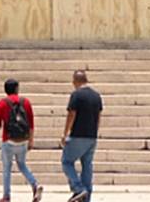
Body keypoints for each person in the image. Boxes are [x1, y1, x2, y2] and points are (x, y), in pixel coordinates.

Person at [0, 78, 43, 202]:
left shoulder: (2, 103)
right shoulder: (26, 102)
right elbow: (31, 123)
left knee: (7, 168)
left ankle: (6, 196)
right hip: (23, 140)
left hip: (8, 141)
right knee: (22, 165)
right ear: (17, 89)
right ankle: (35, 185)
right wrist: (31, 140)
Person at [60, 70, 103, 202]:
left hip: (78, 135)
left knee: (66, 162)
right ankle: (86, 196)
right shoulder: (96, 96)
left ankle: (78, 189)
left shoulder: (76, 95)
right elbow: (99, 116)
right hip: (91, 136)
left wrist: (65, 133)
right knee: (87, 165)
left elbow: (71, 114)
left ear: (76, 81)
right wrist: (95, 131)